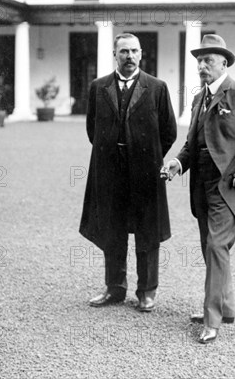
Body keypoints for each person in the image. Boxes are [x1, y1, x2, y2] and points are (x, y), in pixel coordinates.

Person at [163, 34, 235, 343]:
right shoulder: (199, 98)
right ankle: (225, 307)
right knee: (210, 249)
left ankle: (211, 319)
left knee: (216, 247)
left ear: (224, 63)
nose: (202, 65)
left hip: (227, 186)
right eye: (199, 61)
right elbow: (192, 144)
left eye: (209, 60)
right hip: (200, 183)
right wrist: (177, 162)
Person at [80, 33, 177, 312]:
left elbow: (168, 132)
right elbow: (92, 130)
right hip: (109, 171)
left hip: (146, 173)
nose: (130, 57)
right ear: (115, 54)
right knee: (112, 228)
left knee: (147, 230)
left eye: (134, 51)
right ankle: (115, 288)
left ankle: (147, 291)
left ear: (141, 54)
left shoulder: (157, 88)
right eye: (124, 52)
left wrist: (147, 156)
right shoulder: (99, 88)